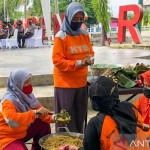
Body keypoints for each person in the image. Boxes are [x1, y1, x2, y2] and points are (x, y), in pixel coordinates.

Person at [68, 76, 150, 150]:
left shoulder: (95, 123)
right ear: (115, 94)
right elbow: (140, 126)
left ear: (94, 102)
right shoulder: (129, 107)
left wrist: (76, 149)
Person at [52, 2, 94, 133]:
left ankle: (77, 143)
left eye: (81, 19)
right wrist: (79, 63)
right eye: (75, 19)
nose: (78, 22)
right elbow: (57, 61)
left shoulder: (84, 34)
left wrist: (90, 59)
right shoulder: (61, 36)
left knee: (79, 117)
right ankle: (63, 144)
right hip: (65, 85)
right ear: (68, 17)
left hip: (81, 83)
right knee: (65, 119)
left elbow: (90, 52)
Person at [0, 69, 56, 150]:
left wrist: (54, 118)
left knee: (42, 123)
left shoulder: (26, 95)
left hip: (22, 131)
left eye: (30, 81)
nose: (29, 85)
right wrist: (34, 113)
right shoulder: (8, 101)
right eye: (26, 83)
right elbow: (11, 119)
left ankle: (38, 148)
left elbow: (39, 110)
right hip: (8, 137)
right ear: (18, 84)